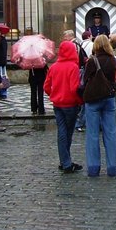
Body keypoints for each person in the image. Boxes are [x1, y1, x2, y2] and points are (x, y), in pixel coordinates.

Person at [43, 40, 83, 174]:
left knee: (61, 131)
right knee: (67, 133)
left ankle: (65, 160)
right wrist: (79, 101)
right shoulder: (73, 67)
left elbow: (46, 87)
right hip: (70, 104)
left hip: (57, 104)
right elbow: (74, 88)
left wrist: (54, 94)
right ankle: (66, 162)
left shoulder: (54, 67)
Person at [82, 34, 116, 177]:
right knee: (110, 134)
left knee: (92, 134)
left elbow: (85, 79)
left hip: (93, 99)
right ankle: (112, 168)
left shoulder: (92, 61)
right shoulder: (112, 60)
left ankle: (93, 167)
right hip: (109, 98)